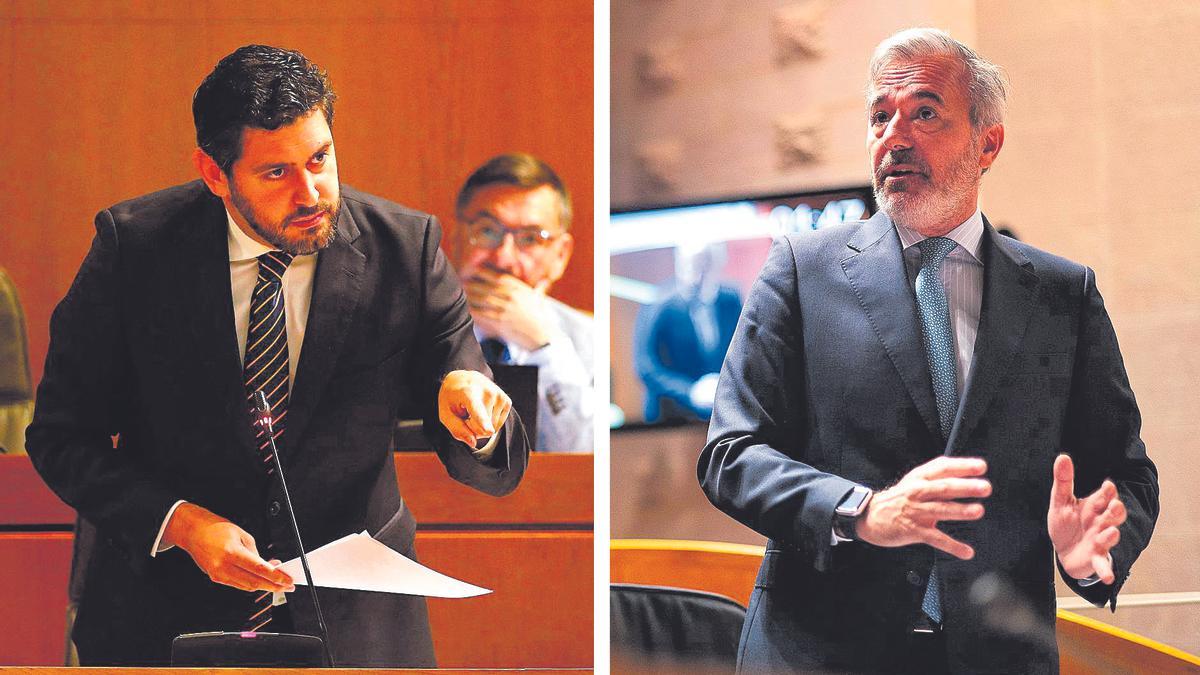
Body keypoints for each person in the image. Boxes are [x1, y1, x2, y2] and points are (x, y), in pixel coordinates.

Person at [25, 44, 528, 667]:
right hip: (164, 623)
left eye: (320, 158)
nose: (311, 191)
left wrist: (477, 422)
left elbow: (490, 463)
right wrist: (179, 523)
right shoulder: (134, 250)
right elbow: (60, 437)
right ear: (215, 173)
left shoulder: (407, 249)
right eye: (275, 173)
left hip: (358, 630)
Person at [698, 28, 1158, 674]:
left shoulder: (1062, 294)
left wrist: (1095, 553)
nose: (894, 136)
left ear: (987, 142)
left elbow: (1126, 473)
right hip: (821, 653)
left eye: (923, 113)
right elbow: (730, 453)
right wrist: (860, 509)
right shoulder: (803, 271)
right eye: (879, 117)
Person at [455, 153, 594, 452]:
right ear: (458, 237)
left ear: (560, 256)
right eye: (487, 231)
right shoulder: (404, 330)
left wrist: (545, 348)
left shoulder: (592, 343)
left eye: (530, 239)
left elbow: (590, 463)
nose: (504, 258)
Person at [635, 241, 741, 422]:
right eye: (689, 267)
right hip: (669, 416)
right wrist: (690, 392)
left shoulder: (731, 300)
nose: (695, 277)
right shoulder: (658, 305)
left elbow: (743, 352)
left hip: (720, 414)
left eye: (702, 267)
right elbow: (646, 367)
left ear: (717, 265)